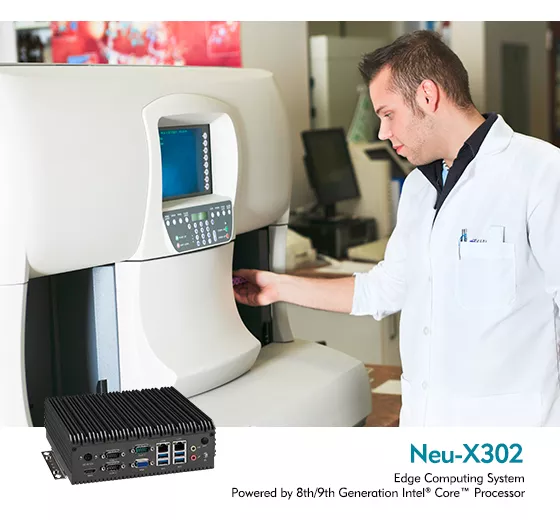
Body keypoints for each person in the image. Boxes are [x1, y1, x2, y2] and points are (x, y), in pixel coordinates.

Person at [234, 30, 560, 427]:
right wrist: (278, 287)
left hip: (513, 436)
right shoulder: (420, 187)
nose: (382, 132)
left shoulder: (541, 173)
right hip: (427, 433)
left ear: (427, 95)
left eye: (388, 114)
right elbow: (386, 288)